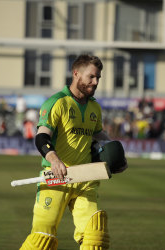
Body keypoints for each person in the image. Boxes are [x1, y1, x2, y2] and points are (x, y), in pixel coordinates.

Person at [20, 54, 125, 249]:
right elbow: (41, 137)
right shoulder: (57, 102)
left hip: (85, 177)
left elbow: (97, 134)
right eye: (91, 77)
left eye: (98, 78)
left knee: (96, 236)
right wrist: (54, 159)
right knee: (42, 240)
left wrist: (114, 151)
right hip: (56, 177)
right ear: (76, 73)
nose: (95, 82)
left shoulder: (94, 106)